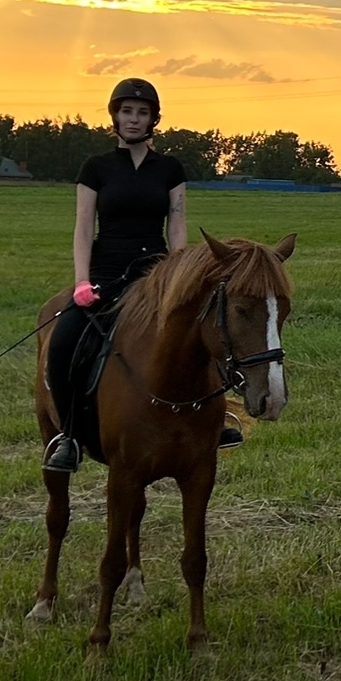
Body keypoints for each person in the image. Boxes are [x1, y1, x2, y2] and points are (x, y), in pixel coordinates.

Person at [42, 77, 234, 471]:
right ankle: (69, 437)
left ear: (153, 120)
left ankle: (221, 418)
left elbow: (177, 228)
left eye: (142, 113)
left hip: (156, 278)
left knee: (203, 336)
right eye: (127, 111)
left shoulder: (169, 169)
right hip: (106, 275)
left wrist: (182, 279)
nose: (134, 119)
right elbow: (83, 227)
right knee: (63, 344)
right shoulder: (95, 168)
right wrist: (81, 281)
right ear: (115, 115)